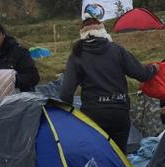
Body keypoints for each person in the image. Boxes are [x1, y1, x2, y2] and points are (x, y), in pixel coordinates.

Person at [58, 17, 157, 152]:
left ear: (82, 34)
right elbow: (141, 74)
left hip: (94, 114)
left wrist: (68, 116)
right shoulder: (117, 50)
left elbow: (65, 93)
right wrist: (154, 69)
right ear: (103, 31)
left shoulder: (77, 55)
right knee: (120, 158)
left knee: (98, 158)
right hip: (119, 112)